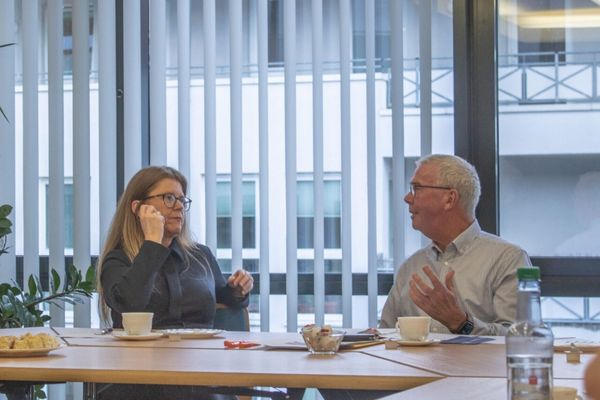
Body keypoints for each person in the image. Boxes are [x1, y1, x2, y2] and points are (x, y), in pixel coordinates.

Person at [380, 154, 531, 335]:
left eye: (417, 188)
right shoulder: (411, 266)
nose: (407, 198)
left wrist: (461, 323)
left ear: (449, 199)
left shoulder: (508, 260)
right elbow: (385, 336)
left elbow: (521, 336)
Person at [97, 165, 253, 330]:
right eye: (169, 198)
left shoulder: (201, 256)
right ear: (137, 208)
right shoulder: (118, 259)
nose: (179, 207)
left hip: (200, 346)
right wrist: (153, 242)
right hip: (144, 346)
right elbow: (129, 306)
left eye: (182, 200)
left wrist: (237, 289)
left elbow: (224, 297)